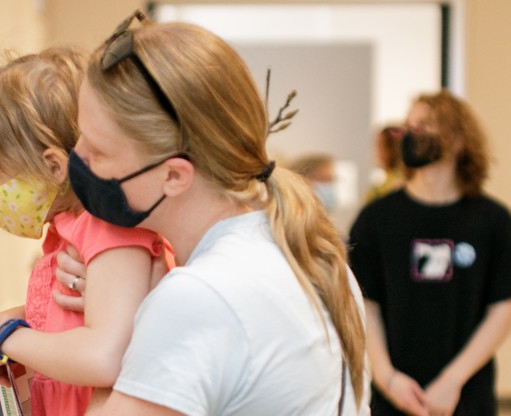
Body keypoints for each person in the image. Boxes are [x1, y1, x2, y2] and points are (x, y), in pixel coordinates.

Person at [51, 11, 369, 415]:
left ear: (174, 175)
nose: (76, 158)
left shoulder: (198, 298)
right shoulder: (315, 259)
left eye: (97, 151)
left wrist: (120, 335)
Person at [0, 47, 171, 415]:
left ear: (54, 166)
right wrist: (16, 324)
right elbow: (82, 318)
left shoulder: (110, 229)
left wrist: (7, 339)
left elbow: (105, 356)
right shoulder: (70, 231)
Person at [347, 90, 511, 415]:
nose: (412, 133)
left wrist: (452, 379)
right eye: (409, 125)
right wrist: (387, 378)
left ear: (459, 140)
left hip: (466, 397)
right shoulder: (376, 220)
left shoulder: (493, 221)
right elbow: (366, 305)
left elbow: (503, 310)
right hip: (393, 397)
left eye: (426, 124)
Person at [365, 125, 405, 203]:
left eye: (379, 146)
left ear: (392, 150)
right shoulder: (384, 183)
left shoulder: (396, 185)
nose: (376, 152)